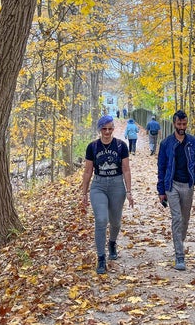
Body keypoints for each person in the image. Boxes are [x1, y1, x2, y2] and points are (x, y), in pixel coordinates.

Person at [80, 115, 134, 274]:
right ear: (99, 129)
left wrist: (129, 191)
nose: (107, 132)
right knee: (101, 219)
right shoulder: (92, 147)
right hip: (99, 186)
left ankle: (112, 242)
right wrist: (84, 193)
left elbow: (126, 169)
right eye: (104, 129)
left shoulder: (121, 146)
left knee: (115, 222)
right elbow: (88, 170)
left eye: (110, 128)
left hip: (117, 185)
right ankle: (101, 258)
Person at [157, 110, 195, 270]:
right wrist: (161, 190)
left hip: (188, 185)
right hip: (172, 185)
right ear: (174, 124)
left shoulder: (193, 142)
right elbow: (161, 168)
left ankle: (179, 242)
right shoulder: (166, 144)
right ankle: (179, 256)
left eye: (184, 124)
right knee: (176, 218)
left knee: (184, 219)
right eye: (179, 124)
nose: (182, 127)